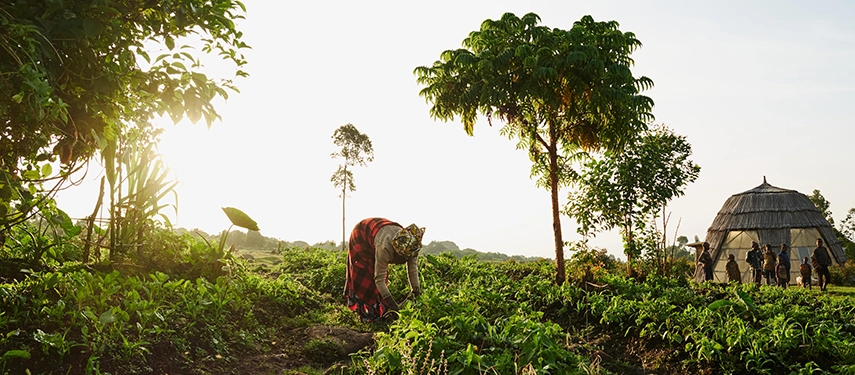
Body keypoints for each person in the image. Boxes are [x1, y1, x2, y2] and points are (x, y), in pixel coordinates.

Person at [343, 218, 424, 322]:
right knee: (365, 276)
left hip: (378, 233)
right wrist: (393, 305)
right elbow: (379, 279)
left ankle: (380, 311)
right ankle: (365, 314)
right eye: (402, 260)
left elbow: (413, 270)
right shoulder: (385, 247)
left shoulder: (411, 247)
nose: (402, 262)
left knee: (380, 278)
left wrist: (416, 292)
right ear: (396, 253)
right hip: (361, 233)